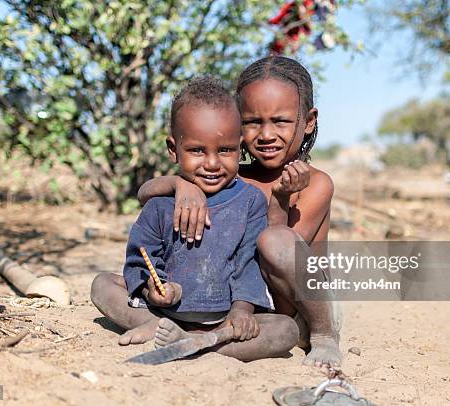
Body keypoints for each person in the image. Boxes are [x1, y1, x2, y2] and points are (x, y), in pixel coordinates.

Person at [137, 56, 341, 368]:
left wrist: (280, 199)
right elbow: (144, 194)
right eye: (252, 122)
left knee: (273, 242)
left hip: (296, 306)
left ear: (309, 120)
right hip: (236, 305)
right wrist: (180, 184)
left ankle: (325, 335)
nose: (266, 134)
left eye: (281, 121)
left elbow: (273, 258)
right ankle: (197, 339)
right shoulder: (227, 175)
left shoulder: (316, 185)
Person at [90, 76, 299, 362]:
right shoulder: (160, 204)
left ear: (240, 148)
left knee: (285, 331)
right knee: (102, 285)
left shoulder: (250, 201)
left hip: (223, 319)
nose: (212, 163)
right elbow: (142, 256)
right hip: (163, 311)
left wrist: (242, 310)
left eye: (225, 150)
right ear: (174, 149)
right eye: (197, 150)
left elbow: (248, 263)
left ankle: (195, 341)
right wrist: (154, 288)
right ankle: (157, 325)